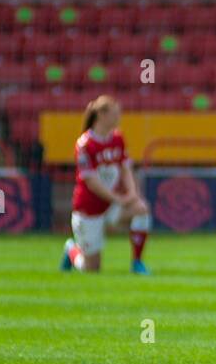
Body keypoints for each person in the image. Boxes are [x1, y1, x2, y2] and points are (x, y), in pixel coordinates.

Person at [60, 95, 151, 274]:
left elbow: (126, 168)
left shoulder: (117, 138)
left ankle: (137, 262)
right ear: (101, 115)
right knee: (91, 268)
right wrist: (118, 198)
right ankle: (71, 249)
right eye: (115, 114)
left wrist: (132, 193)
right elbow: (92, 182)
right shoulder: (85, 144)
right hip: (89, 209)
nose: (118, 118)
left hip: (111, 206)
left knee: (141, 209)